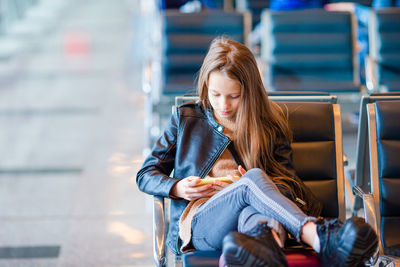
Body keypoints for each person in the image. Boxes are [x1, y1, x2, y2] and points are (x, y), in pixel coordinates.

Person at [136, 37, 378, 267]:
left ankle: (265, 252)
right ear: (206, 86)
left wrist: (246, 187)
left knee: (258, 216)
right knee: (251, 180)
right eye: (215, 95)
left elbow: (288, 186)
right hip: (201, 222)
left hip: (251, 221)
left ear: (249, 92)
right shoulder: (186, 119)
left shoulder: (268, 125)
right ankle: (318, 236)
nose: (223, 105)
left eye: (234, 96)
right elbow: (145, 174)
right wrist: (178, 187)